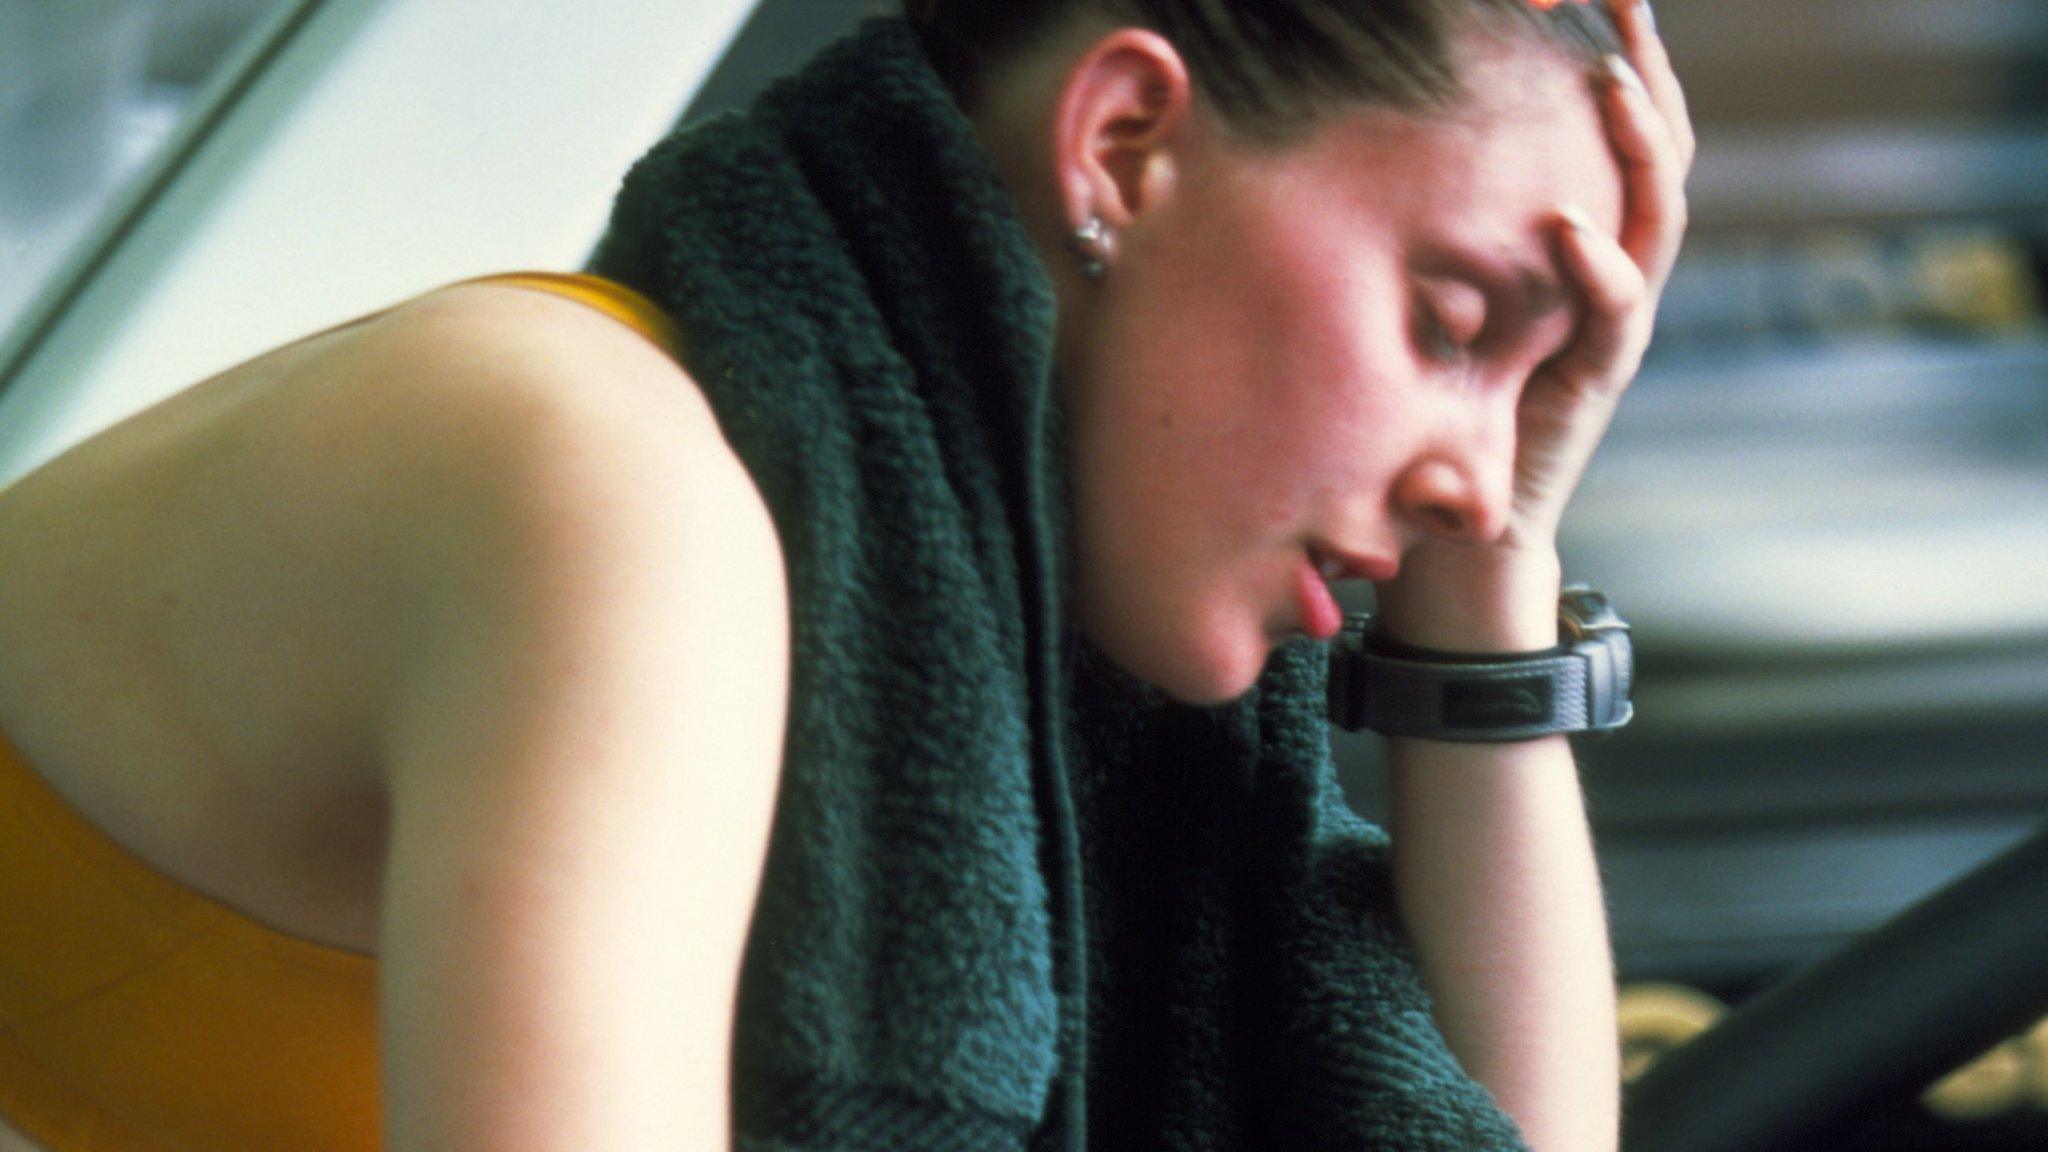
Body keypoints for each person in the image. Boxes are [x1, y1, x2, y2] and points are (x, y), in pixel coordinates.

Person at [0, 0, 1691, 1149]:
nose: (1468, 471)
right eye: (1455, 326)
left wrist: (1504, 556)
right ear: (1118, 146)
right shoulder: (595, 484)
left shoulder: (933, 608)